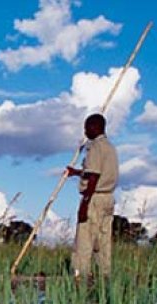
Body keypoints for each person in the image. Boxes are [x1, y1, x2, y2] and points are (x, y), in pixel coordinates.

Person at [65, 113, 119, 277]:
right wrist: (77, 173)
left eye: (87, 127)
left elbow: (94, 177)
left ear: (96, 127)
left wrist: (84, 203)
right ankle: (104, 274)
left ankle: (80, 275)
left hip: (94, 197)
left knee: (85, 239)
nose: (85, 132)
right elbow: (94, 172)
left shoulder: (95, 147)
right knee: (102, 240)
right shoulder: (110, 147)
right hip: (108, 198)